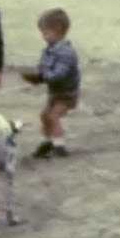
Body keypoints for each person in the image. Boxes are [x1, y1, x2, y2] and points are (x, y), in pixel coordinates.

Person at [22, 9, 82, 159]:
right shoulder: (49, 50)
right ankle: (48, 141)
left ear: (58, 30)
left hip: (67, 93)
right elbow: (44, 66)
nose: (43, 36)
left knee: (53, 115)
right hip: (55, 92)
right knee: (45, 115)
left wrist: (44, 77)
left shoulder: (66, 52)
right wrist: (37, 75)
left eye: (46, 33)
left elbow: (60, 73)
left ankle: (59, 144)